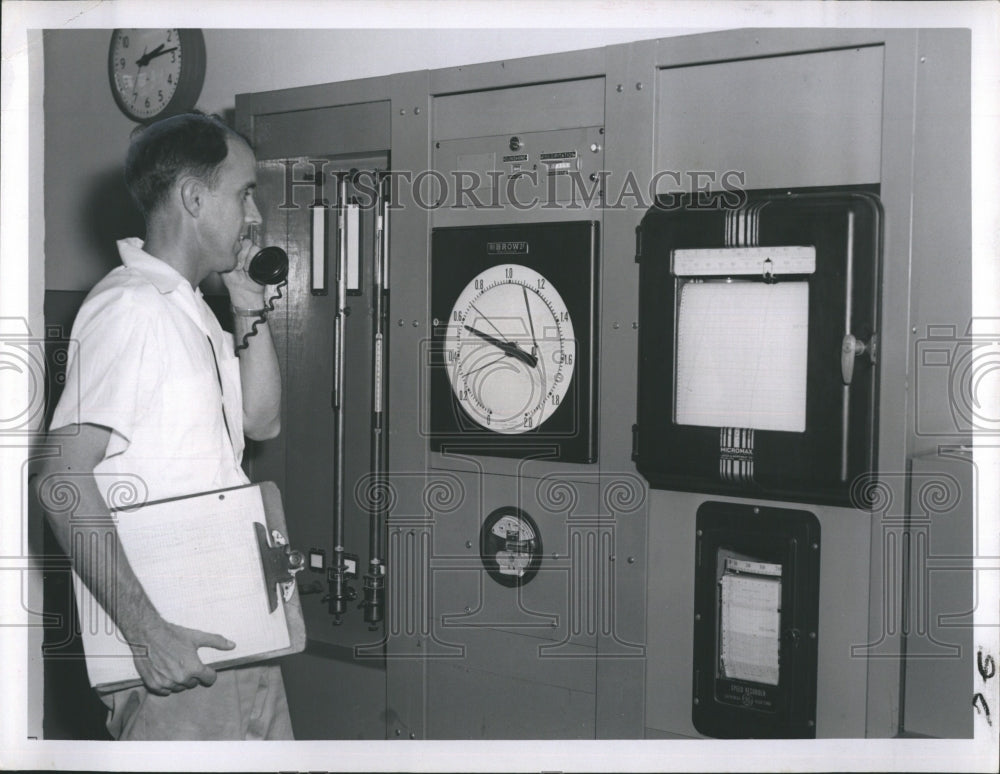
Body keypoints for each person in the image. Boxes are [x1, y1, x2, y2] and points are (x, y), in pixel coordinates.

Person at [36, 112, 293, 740]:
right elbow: (59, 478)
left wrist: (245, 303)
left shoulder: (191, 310)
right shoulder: (131, 309)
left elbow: (263, 421)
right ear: (194, 198)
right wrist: (146, 631)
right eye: (243, 192)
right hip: (175, 662)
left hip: (240, 646)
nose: (254, 212)